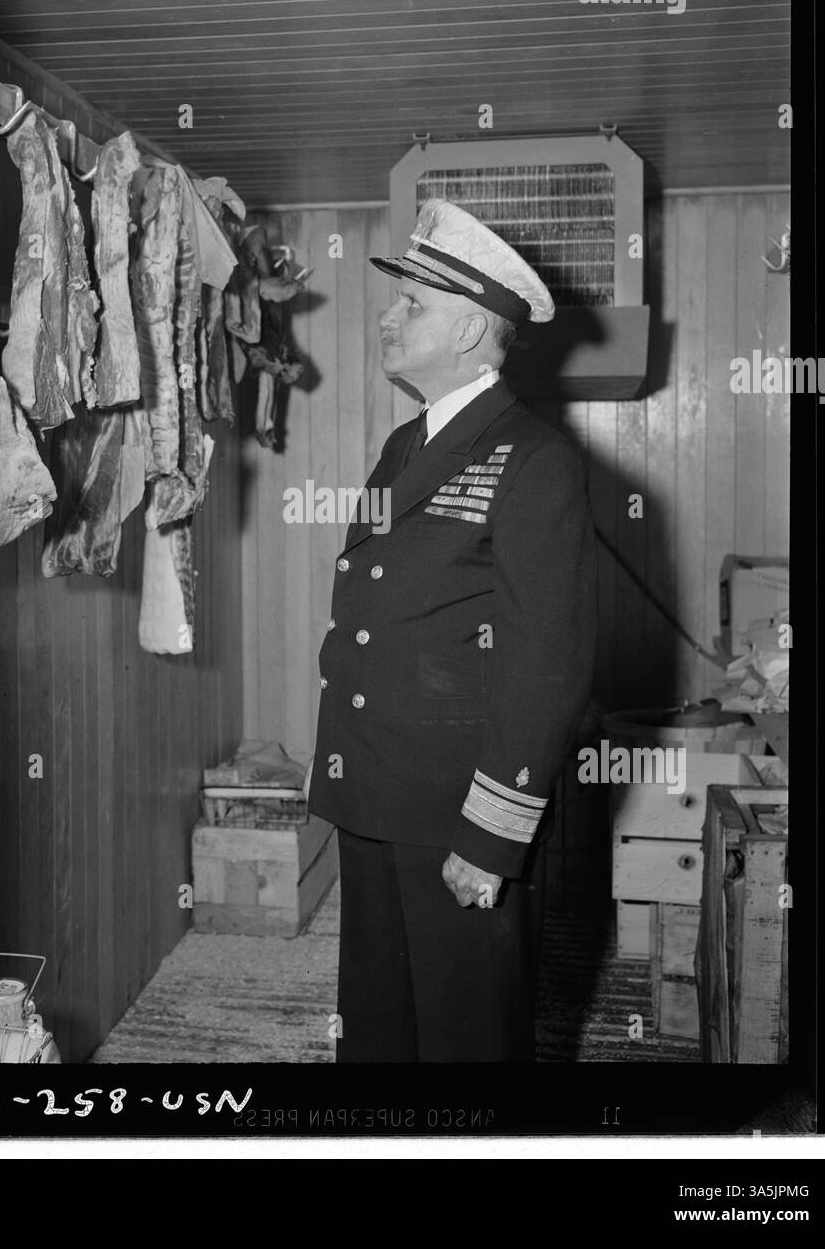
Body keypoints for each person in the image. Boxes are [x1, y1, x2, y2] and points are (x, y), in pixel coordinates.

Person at [308, 198, 597, 1062]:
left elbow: (546, 661)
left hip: (454, 805)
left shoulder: (535, 460)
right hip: (375, 784)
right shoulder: (407, 442)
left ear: (470, 331)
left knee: (465, 1036)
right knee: (379, 1021)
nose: (388, 320)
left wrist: (490, 834)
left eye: (412, 307)